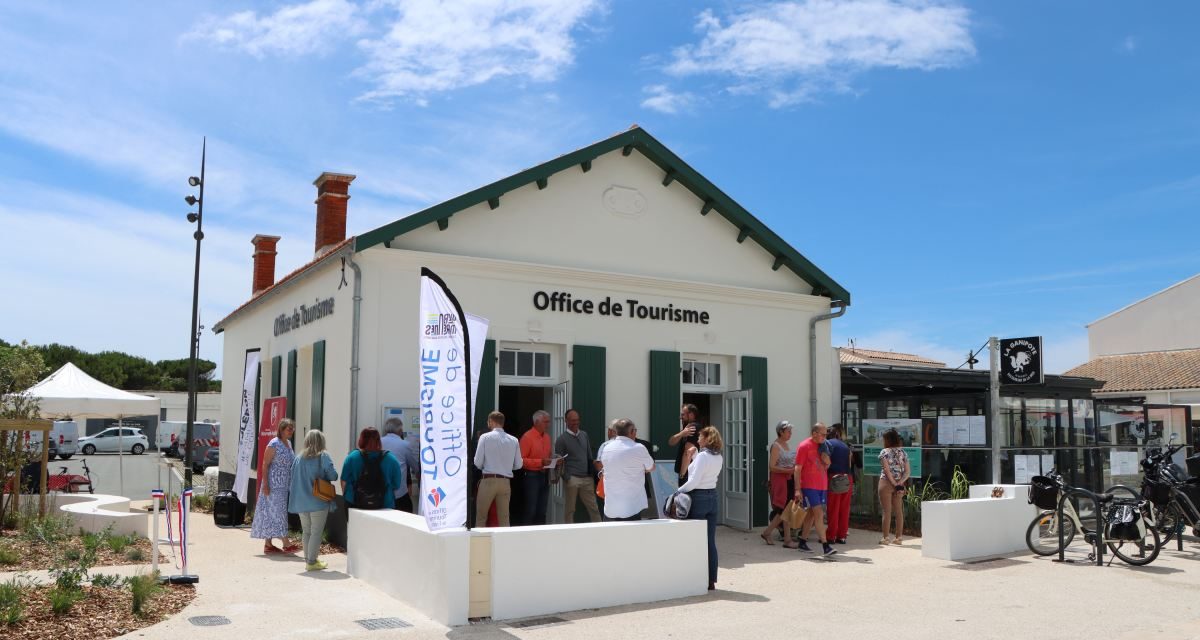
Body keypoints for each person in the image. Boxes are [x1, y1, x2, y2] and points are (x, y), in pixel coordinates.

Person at [678, 425, 724, 591]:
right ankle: (711, 580)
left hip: (698, 498)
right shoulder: (718, 457)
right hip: (712, 497)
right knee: (709, 541)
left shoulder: (703, 457)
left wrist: (677, 491)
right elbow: (704, 470)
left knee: (695, 540)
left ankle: (694, 578)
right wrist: (694, 455)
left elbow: (694, 481)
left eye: (700, 437)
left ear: (707, 439)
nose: (698, 439)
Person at [288, 429, 338, 570]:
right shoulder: (323, 456)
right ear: (321, 441)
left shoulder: (299, 458)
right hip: (318, 500)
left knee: (307, 531)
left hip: (301, 501)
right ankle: (311, 562)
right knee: (316, 531)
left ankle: (308, 560)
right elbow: (333, 476)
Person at [251, 418, 298, 555]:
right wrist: (265, 484)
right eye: (289, 428)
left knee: (272, 512)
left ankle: (268, 544)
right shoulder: (274, 443)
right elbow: (265, 464)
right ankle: (286, 542)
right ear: (281, 429)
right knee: (278, 513)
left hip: (283, 486)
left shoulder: (288, 443)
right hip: (272, 484)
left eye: (292, 428)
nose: (292, 431)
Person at [793, 422, 837, 556]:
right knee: (818, 513)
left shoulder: (824, 446)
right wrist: (798, 489)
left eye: (826, 434)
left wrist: (827, 461)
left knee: (812, 514)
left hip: (821, 485)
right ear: (814, 433)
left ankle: (802, 541)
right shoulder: (804, 446)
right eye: (823, 434)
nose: (825, 437)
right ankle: (825, 546)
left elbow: (827, 466)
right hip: (809, 485)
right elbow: (797, 468)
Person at [597, 418, 654, 521]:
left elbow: (604, 467)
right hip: (632, 508)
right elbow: (651, 467)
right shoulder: (639, 448)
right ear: (632, 432)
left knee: (611, 537)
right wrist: (641, 469)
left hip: (610, 509)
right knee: (632, 537)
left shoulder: (606, 448)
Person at [474, 410, 522, 526]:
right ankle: (505, 544)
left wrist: (487, 465)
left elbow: (477, 462)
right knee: (504, 518)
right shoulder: (514, 440)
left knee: (481, 517)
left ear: (491, 421)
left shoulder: (484, 437)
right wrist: (506, 467)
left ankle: (479, 544)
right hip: (505, 481)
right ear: (502, 423)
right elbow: (519, 465)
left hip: (488, 480)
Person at [554, 409, 601, 523]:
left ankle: (600, 530)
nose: (576, 422)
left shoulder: (584, 435)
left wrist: (591, 473)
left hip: (587, 478)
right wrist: (567, 477)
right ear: (566, 421)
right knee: (570, 509)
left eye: (577, 420)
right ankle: (568, 533)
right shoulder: (561, 439)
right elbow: (559, 462)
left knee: (594, 508)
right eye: (573, 420)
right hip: (572, 479)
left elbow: (589, 455)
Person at [340, 427, 404, 510]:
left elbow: (344, 481)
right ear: (379, 441)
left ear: (361, 440)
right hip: (384, 505)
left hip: (355, 504)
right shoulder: (391, 459)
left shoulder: (352, 457)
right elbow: (396, 484)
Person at [760, 420, 797, 548]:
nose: (790, 434)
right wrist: (788, 470)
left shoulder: (786, 445)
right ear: (781, 432)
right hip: (781, 480)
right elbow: (772, 467)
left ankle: (787, 539)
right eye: (788, 431)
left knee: (787, 509)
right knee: (783, 510)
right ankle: (768, 532)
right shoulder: (776, 446)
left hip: (789, 479)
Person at [519, 410, 554, 525]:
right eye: (545, 422)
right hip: (531, 477)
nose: (548, 425)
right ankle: (525, 537)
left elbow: (547, 456)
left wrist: (555, 461)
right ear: (536, 422)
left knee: (542, 510)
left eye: (548, 422)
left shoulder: (547, 438)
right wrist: (541, 462)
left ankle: (541, 537)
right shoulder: (527, 437)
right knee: (531, 510)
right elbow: (521, 460)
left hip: (544, 476)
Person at [878, 428, 911, 545]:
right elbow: (908, 471)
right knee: (898, 511)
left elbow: (886, 470)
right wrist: (899, 482)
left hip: (886, 483)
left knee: (886, 511)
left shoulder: (884, 452)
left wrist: (893, 483)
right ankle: (899, 537)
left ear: (887, 439)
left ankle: (886, 538)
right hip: (900, 484)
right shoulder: (903, 452)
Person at [380, 417, 420, 513]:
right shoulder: (404, 445)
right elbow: (415, 467)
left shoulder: (378, 442)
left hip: (381, 492)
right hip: (399, 493)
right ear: (400, 430)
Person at [825, 423, 853, 545]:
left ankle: (831, 535)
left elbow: (825, 462)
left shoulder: (827, 444)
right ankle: (842, 536)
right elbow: (849, 464)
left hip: (833, 477)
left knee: (833, 508)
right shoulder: (845, 446)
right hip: (847, 477)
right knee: (844, 509)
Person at [668, 404, 701, 484]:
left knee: (685, 496)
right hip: (689, 473)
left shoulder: (693, 427)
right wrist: (681, 434)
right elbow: (671, 442)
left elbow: (688, 452)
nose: (680, 417)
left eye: (683, 414)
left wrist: (682, 475)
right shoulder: (686, 429)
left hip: (688, 474)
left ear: (691, 414)